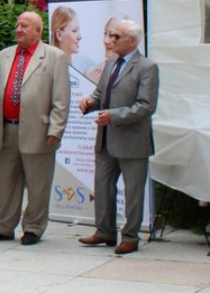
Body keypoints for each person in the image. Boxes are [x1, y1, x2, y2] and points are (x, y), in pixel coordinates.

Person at [0, 11, 70, 246]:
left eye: (25, 26)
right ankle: (3, 226)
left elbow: (61, 99)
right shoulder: (4, 56)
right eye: (18, 25)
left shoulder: (55, 57)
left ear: (38, 31)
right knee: (4, 181)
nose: (19, 29)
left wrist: (55, 130)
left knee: (38, 184)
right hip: (4, 129)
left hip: (38, 132)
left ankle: (33, 228)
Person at [77, 20, 158, 255]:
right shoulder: (111, 64)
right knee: (102, 187)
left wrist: (112, 116)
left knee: (133, 192)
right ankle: (104, 231)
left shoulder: (147, 67)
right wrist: (90, 102)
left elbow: (145, 106)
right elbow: (100, 93)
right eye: (111, 36)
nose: (111, 40)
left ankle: (130, 237)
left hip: (132, 141)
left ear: (132, 41)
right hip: (105, 139)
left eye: (116, 36)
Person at [85, 16, 128, 84]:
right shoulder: (93, 72)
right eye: (105, 34)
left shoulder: (138, 70)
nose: (105, 41)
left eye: (111, 35)